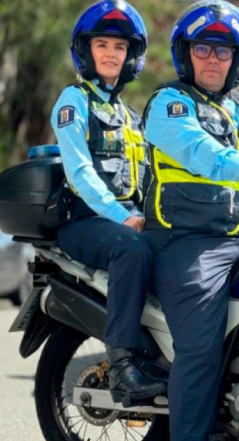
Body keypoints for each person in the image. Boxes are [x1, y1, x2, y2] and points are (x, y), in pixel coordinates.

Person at [50, 0, 167, 406]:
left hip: (127, 219)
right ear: (86, 51)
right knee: (131, 247)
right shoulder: (73, 101)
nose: (111, 54)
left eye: (119, 47)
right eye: (102, 44)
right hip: (86, 223)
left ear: (131, 56)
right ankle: (122, 370)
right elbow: (80, 173)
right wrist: (123, 218)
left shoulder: (131, 115)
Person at [143, 2, 239, 441]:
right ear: (186, 54)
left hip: (232, 239)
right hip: (186, 243)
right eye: (204, 47)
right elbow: (208, 159)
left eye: (224, 50)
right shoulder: (170, 105)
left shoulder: (233, 110)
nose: (214, 59)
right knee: (199, 346)